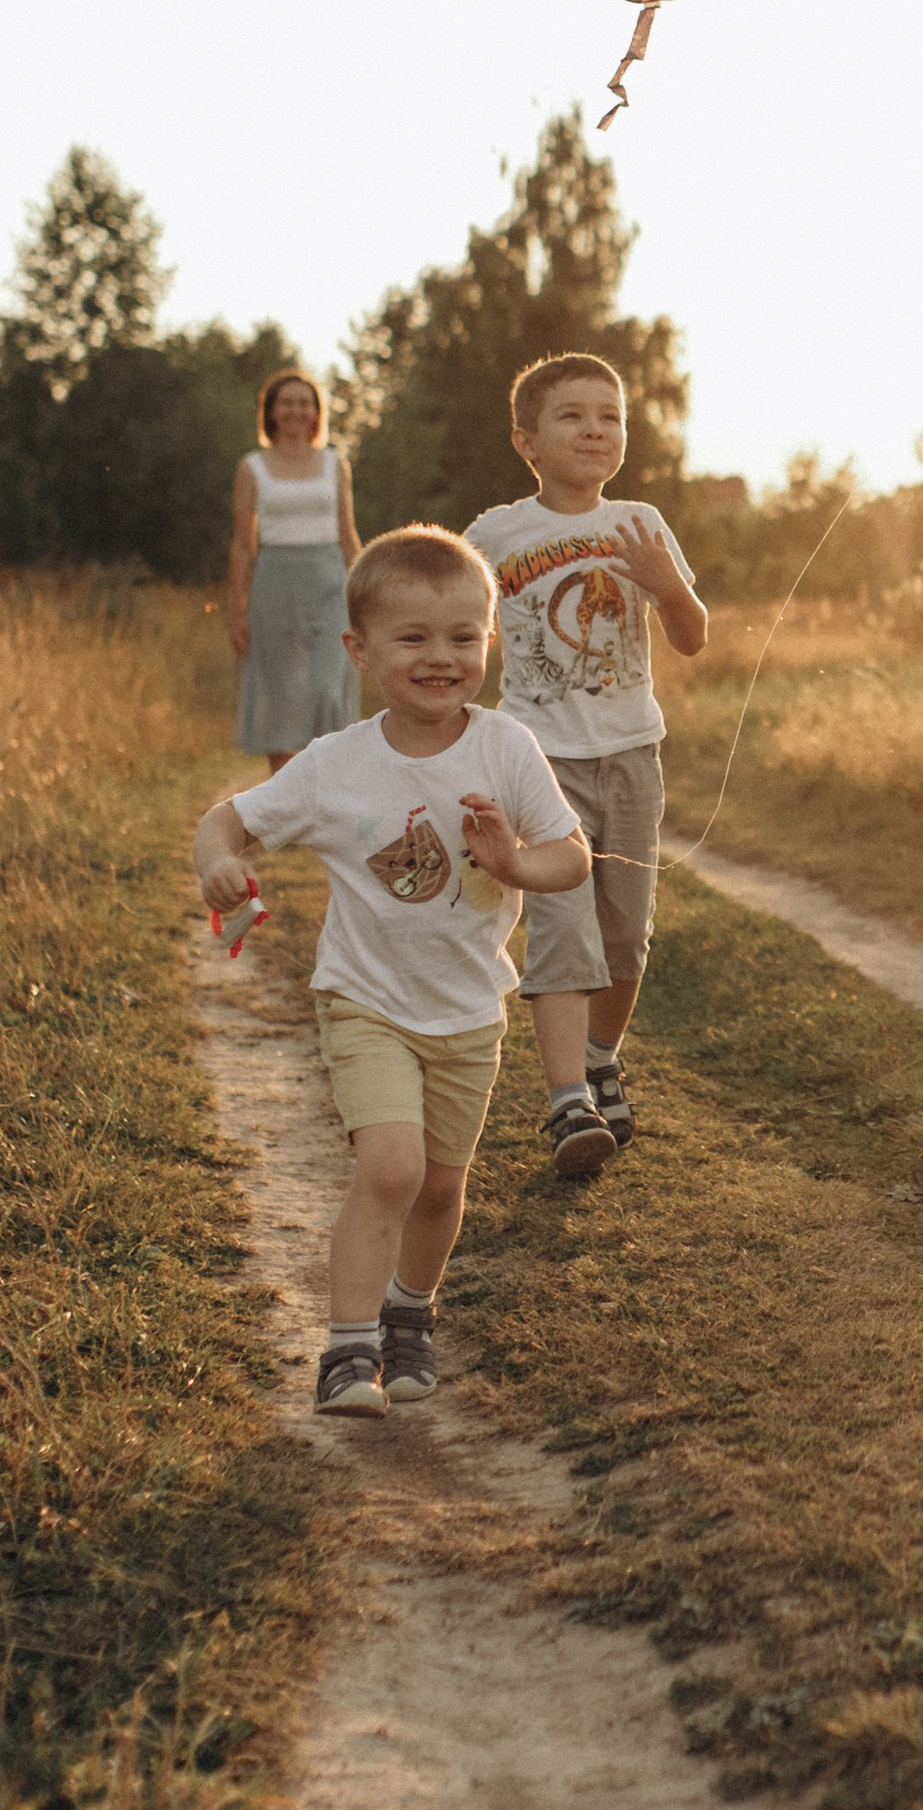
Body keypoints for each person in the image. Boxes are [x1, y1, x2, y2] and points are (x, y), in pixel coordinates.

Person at [192, 525, 593, 1415]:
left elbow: (572, 855)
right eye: (412, 639)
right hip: (366, 1002)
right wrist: (217, 863)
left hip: (467, 1010)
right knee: (391, 1168)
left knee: (443, 1186)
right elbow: (226, 819)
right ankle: (346, 1348)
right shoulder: (337, 764)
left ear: (488, 640)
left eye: (462, 637)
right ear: (360, 650)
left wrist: (518, 864)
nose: (440, 658)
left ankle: (411, 1314)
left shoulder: (505, 749)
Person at [463, 353, 708, 1181]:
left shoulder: (641, 523)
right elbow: (456, 624)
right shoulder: (495, 535)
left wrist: (667, 584)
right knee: (563, 930)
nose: (596, 428)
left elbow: (693, 634)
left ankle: (602, 1058)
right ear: (526, 440)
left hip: (631, 754)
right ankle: (568, 1100)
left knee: (624, 937)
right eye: (573, 415)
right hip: (537, 757)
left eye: (611, 414)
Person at [230, 368, 361, 772]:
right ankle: (285, 801)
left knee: (327, 689)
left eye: (304, 402)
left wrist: (365, 598)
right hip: (274, 582)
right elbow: (241, 542)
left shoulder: (335, 464)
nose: (295, 410)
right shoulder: (252, 466)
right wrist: (238, 609)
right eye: (286, 402)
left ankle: (330, 793)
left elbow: (348, 536)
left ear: (316, 412)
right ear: (270, 411)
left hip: (329, 582)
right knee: (281, 693)